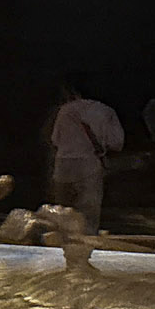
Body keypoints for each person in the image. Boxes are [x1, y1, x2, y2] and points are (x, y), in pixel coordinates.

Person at [49, 78, 123, 231]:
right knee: (88, 216)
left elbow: (55, 140)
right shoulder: (106, 111)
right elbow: (116, 143)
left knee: (61, 215)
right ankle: (85, 249)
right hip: (89, 167)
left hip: (63, 166)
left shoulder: (66, 110)